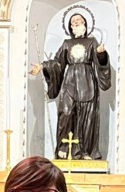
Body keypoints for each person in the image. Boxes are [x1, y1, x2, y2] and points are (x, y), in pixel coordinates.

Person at [31, 9, 112, 160]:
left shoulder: (92, 42)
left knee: (88, 117)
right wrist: (43, 66)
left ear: (85, 24)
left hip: (88, 82)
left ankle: (86, 151)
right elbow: (58, 63)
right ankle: (64, 149)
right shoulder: (66, 44)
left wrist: (101, 54)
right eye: (73, 22)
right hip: (70, 83)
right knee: (66, 114)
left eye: (79, 20)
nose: (76, 23)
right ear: (70, 26)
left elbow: (100, 63)